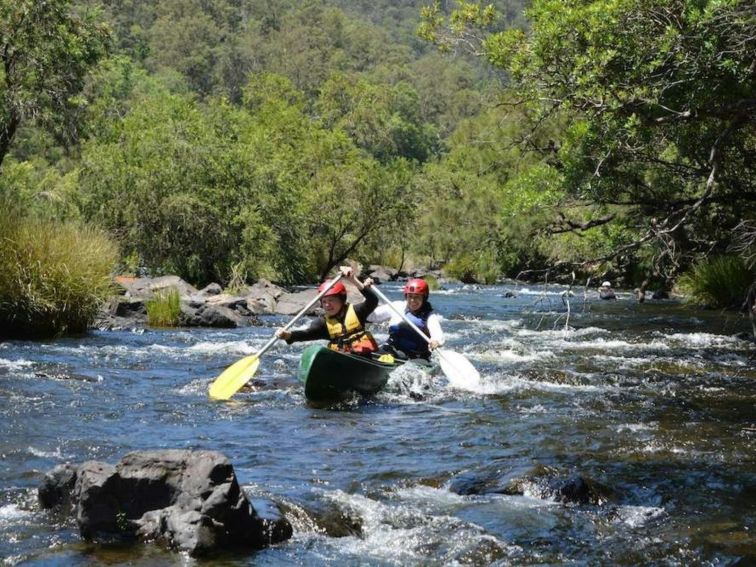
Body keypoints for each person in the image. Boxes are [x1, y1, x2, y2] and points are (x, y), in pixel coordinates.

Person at [275, 266, 379, 355]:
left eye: (331, 300)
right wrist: (287, 335)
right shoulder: (323, 324)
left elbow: (373, 300)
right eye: (324, 301)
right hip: (341, 360)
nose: (327, 305)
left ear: (342, 300)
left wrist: (352, 279)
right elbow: (306, 334)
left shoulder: (357, 311)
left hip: (365, 358)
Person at [368, 278, 444, 360]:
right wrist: (367, 293)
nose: (412, 300)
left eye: (417, 297)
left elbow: (437, 334)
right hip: (391, 350)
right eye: (410, 296)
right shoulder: (397, 306)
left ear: (424, 298)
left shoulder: (430, 316)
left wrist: (436, 341)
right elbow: (372, 316)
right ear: (406, 296)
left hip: (416, 357)